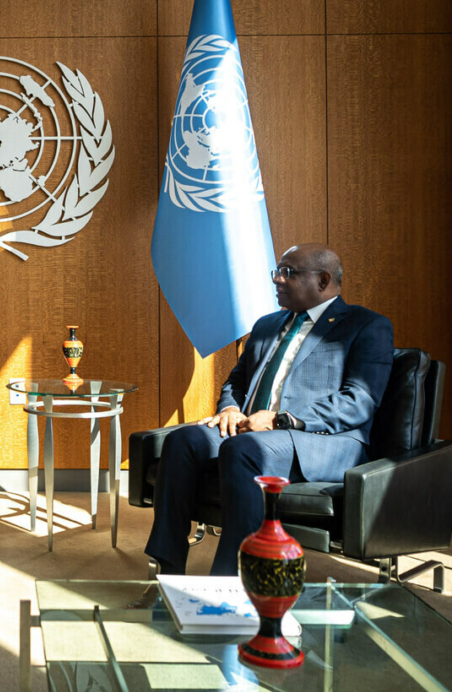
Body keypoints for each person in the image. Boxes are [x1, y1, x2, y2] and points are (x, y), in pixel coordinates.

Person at [145, 244, 394, 575]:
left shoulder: (366, 326)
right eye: (276, 271)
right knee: (182, 441)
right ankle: (167, 569)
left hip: (322, 441)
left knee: (243, 449)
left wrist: (281, 420)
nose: (277, 279)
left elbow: (360, 400)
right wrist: (230, 408)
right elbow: (236, 380)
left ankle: (232, 580)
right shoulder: (266, 325)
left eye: (288, 272)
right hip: (251, 430)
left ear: (323, 280)